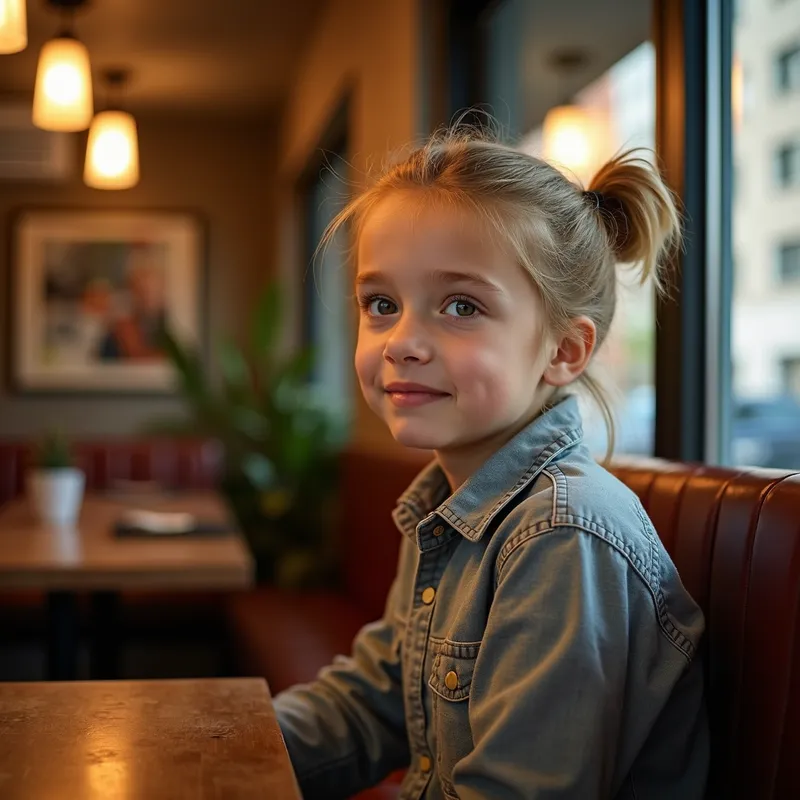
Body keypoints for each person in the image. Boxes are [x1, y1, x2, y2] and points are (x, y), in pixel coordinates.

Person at [273, 128, 709, 800]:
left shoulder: (562, 535)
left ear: (564, 350)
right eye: (380, 304)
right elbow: (370, 704)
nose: (403, 343)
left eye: (461, 306)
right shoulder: (448, 505)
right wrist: (214, 739)